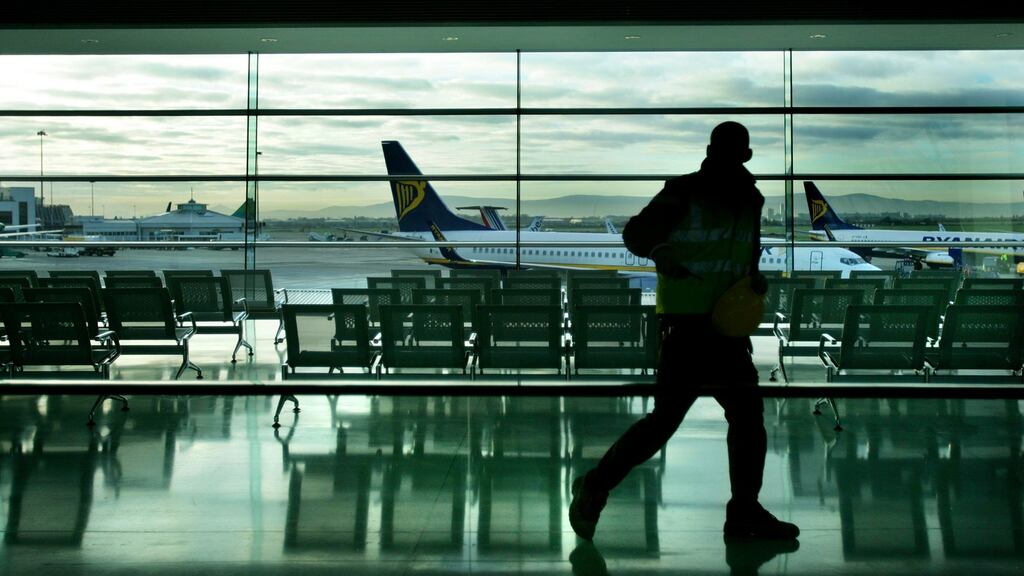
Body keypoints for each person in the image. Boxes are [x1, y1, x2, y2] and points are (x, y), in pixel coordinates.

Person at [568, 121, 799, 541]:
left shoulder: (750, 198)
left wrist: (751, 279)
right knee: (679, 421)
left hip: (725, 323)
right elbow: (636, 235)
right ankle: (596, 484)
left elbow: (742, 252)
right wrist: (661, 252)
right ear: (737, 154)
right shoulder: (686, 191)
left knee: (741, 418)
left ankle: (742, 511)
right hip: (688, 323)